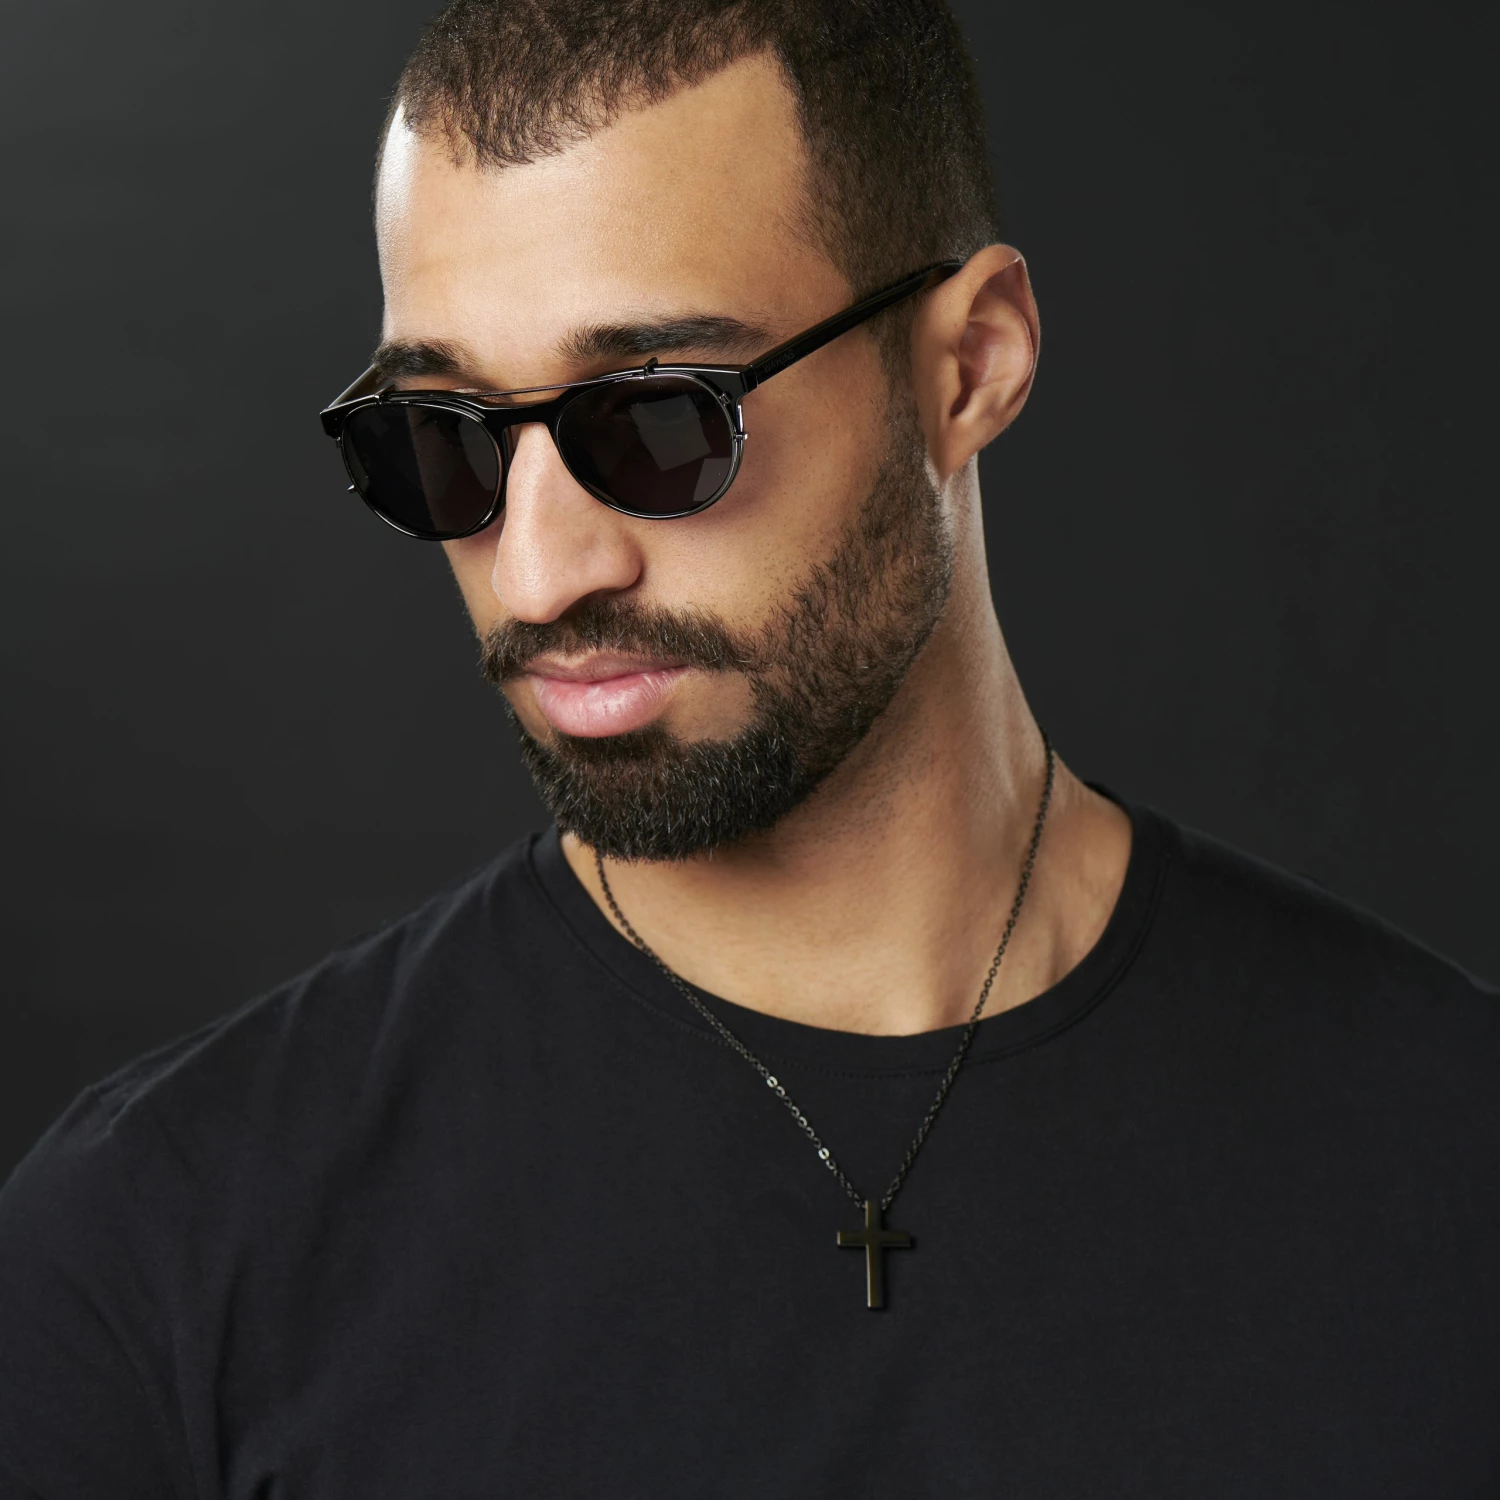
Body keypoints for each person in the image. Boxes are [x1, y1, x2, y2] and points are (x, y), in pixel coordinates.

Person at [2, 0, 1495, 1492]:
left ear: (970, 365)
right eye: (444, 437)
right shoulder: (156, 1255)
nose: (540, 575)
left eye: (657, 418)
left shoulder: (1448, 1155)